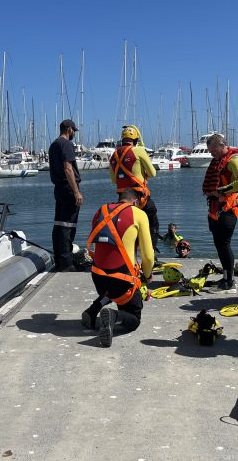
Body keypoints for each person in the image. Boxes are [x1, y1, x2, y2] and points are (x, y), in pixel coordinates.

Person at [80, 188, 154, 347]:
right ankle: (114, 316)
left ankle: (92, 311)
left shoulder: (101, 210)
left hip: (98, 277)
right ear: (135, 201)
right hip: (122, 281)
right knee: (134, 319)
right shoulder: (139, 214)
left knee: (111, 286)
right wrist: (147, 277)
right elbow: (148, 256)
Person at [202, 134, 238, 291]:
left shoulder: (234, 160)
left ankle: (229, 280)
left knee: (224, 244)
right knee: (219, 244)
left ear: (221, 146)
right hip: (215, 210)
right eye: (210, 151)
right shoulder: (217, 161)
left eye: (213, 150)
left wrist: (220, 190)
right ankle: (225, 277)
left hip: (228, 210)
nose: (211, 154)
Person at [109, 124, 159, 253]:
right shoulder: (139, 151)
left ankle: (126, 256)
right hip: (140, 198)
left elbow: (114, 180)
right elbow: (153, 173)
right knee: (152, 225)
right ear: (136, 140)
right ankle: (151, 255)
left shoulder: (113, 155)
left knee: (127, 226)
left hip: (122, 199)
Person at [48, 119, 84, 272]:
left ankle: (59, 259)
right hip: (68, 189)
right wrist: (76, 191)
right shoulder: (66, 144)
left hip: (59, 189)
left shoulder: (53, 145)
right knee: (68, 226)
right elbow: (68, 169)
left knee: (59, 225)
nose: (74, 133)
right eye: (73, 131)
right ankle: (67, 264)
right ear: (69, 129)